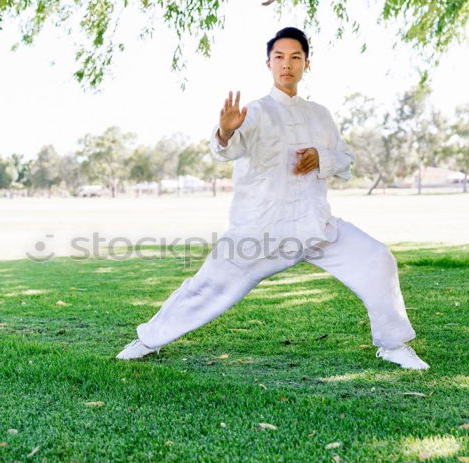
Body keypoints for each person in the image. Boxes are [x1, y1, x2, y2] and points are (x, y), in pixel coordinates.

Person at [116, 27, 429, 370]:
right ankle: (148, 339)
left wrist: (321, 157)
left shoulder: (320, 115)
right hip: (260, 232)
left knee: (377, 259)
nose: (287, 64)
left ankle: (393, 344)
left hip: (315, 228)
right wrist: (226, 130)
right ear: (268, 63)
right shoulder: (255, 112)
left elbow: (346, 162)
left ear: (306, 63)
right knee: (205, 288)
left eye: (295, 57)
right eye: (279, 57)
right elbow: (226, 150)